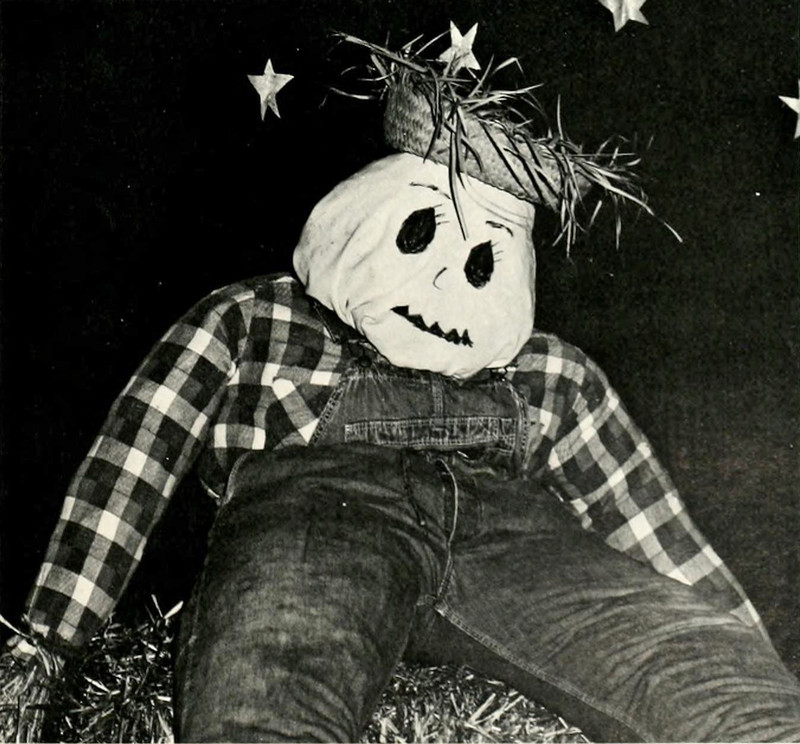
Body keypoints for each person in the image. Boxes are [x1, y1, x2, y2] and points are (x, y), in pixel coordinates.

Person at [3, 26, 800, 743]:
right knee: (269, 704)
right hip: (315, 523)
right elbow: (134, 462)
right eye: (421, 233)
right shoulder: (256, 319)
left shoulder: (551, 373)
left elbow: (655, 532)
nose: (450, 282)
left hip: (516, 544)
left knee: (722, 693)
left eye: (485, 264)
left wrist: (752, 659)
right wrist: (47, 645)